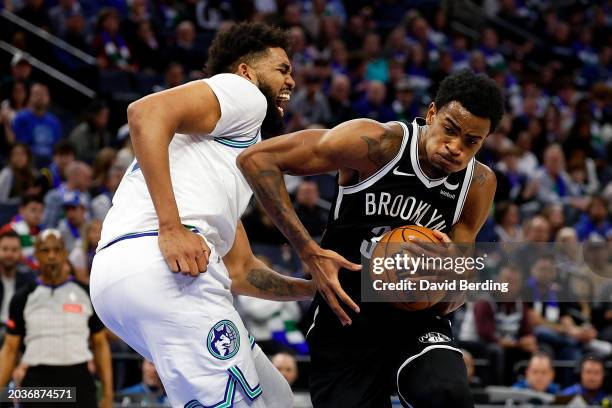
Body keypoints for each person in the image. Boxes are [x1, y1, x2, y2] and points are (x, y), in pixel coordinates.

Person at [238, 69, 503, 407]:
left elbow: (456, 292)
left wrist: (451, 272)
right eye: (450, 130)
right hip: (347, 315)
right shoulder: (378, 144)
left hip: (416, 319)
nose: (456, 148)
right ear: (432, 114)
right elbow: (257, 159)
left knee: (447, 394)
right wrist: (309, 251)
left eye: (472, 141)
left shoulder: (478, 183)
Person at [90, 22, 313, 408]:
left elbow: (242, 271)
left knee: (277, 398)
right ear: (245, 71)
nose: (291, 81)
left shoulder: (219, 158)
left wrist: (317, 289)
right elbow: (145, 112)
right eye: (282, 69)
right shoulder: (245, 95)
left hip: (123, 278)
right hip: (161, 265)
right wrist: (171, 227)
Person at [0, 229, 113, 408]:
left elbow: (100, 344)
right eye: (45, 251)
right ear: (36, 254)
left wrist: (108, 394)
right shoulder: (23, 297)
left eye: (57, 250)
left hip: (78, 378)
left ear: (64, 253)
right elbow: (10, 349)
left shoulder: (85, 293)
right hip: (37, 382)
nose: (51, 256)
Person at [12, 83, 62, 167]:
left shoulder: (54, 121)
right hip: (29, 162)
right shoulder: (21, 118)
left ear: (48, 98)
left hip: (50, 163)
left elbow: (57, 147)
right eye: (37, 94)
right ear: (30, 97)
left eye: (43, 94)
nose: (40, 97)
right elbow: (21, 145)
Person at [0, 231, 36, 334]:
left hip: (19, 332)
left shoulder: (29, 280)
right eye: (5, 249)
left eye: (14, 250)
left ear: (20, 252)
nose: (9, 254)